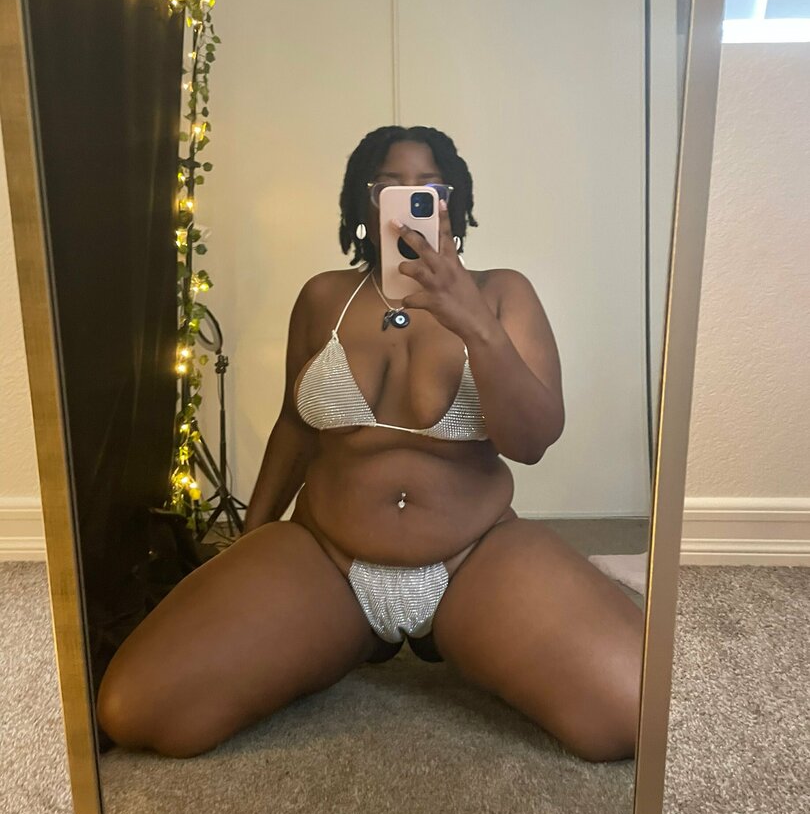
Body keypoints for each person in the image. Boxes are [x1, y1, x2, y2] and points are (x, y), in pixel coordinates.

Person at [97, 125, 644, 762]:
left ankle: (463, 635)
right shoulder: (323, 297)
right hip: (328, 558)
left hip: (473, 557)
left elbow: (533, 441)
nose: (410, 199)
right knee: (137, 708)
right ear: (365, 200)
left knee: (633, 710)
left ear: (454, 202)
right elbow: (295, 427)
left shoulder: (502, 292)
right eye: (390, 184)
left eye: (428, 187)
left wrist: (473, 322)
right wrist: (250, 545)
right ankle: (352, 638)